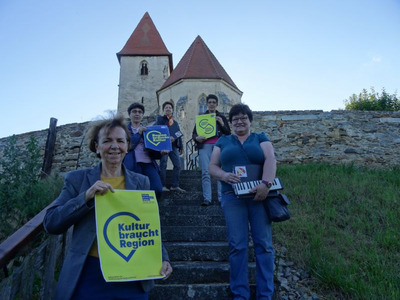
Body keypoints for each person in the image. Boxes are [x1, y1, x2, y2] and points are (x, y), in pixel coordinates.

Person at [43, 116, 172, 300]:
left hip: (134, 273)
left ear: (127, 146)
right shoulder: (77, 180)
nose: (114, 146)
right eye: (107, 141)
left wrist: (163, 257)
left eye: (120, 141)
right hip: (90, 273)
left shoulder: (141, 181)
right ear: (96, 146)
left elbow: (149, 227)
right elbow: (51, 222)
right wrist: (86, 198)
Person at [209, 103, 277, 299]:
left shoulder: (260, 138)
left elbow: (271, 159)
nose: (239, 121)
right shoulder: (223, 141)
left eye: (243, 118)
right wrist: (223, 175)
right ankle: (240, 294)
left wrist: (266, 184)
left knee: (263, 245)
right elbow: (213, 166)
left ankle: (265, 294)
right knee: (237, 245)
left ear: (250, 121)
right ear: (230, 123)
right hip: (233, 196)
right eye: (235, 119)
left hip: (259, 195)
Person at [192, 94, 230, 206]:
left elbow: (228, 133)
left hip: (219, 146)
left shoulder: (221, 117)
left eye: (214, 102)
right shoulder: (201, 118)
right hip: (205, 146)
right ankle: (207, 198)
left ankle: (220, 197)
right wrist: (196, 138)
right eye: (210, 102)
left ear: (217, 104)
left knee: (219, 171)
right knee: (205, 172)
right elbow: (194, 134)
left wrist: (222, 124)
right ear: (207, 104)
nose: (212, 104)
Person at [123, 102, 163, 201]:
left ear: (142, 115)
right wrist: (139, 133)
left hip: (149, 163)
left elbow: (154, 149)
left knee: (157, 189)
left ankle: (150, 211)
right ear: (130, 114)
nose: (137, 114)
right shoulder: (124, 131)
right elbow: (128, 146)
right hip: (133, 164)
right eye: (134, 112)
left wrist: (161, 152)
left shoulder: (148, 130)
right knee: (136, 191)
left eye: (140, 112)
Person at [155, 101, 185, 192]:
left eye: (170, 108)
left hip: (173, 146)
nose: (168, 109)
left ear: (172, 110)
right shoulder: (160, 120)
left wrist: (181, 147)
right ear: (163, 110)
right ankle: (162, 185)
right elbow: (157, 130)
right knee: (163, 164)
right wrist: (167, 138)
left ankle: (175, 185)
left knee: (178, 165)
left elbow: (178, 133)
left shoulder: (175, 122)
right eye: (166, 108)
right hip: (164, 145)